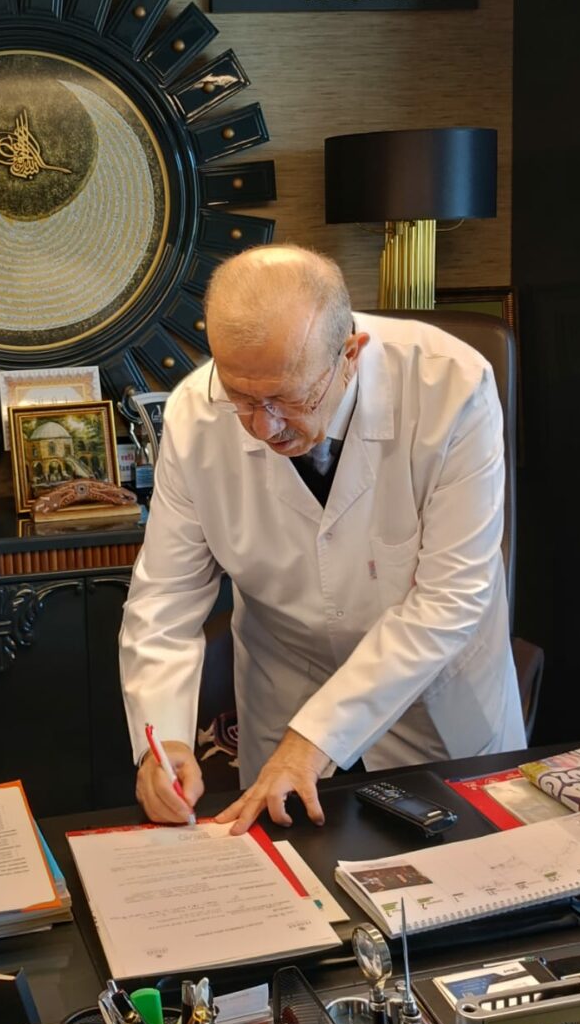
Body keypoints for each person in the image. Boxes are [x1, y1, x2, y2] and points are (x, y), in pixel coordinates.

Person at [121, 244, 524, 833]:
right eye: (241, 398)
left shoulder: (451, 386)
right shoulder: (194, 415)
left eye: (288, 398)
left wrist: (316, 738)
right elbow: (165, 599)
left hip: (433, 710)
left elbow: (451, 598)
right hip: (282, 697)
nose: (264, 427)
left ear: (350, 354)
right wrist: (163, 742)